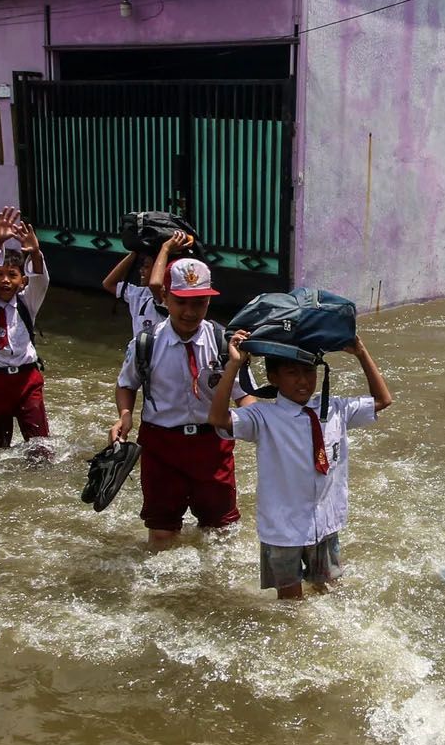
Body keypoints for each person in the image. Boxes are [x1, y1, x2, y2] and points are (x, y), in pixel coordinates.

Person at [209, 331, 393, 599]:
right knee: (290, 603)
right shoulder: (263, 416)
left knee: (330, 592)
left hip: (325, 522)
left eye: (309, 371)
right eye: (292, 373)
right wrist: (234, 364)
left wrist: (361, 353)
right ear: (273, 378)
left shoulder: (335, 409)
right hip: (282, 529)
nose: (303, 381)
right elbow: (217, 418)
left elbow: (383, 400)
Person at [111, 256, 254, 549]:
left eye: (199, 303)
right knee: (162, 534)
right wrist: (125, 416)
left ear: (209, 302)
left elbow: (244, 396)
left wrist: (263, 426)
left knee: (221, 533)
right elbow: (126, 384)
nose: (190, 312)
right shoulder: (145, 343)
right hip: (161, 448)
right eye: (181, 302)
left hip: (212, 447)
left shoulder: (224, 343)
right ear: (165, 297)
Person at [0, 207, 51, 448]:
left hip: (27, 380)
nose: (5, 280)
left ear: (21, 280)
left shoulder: (28, 303)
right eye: (0, 274)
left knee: (41, 447)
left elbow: (41, 280)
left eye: (12, 275)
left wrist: (35, 252)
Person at [101, 233, 186, 339]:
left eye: (146, 267)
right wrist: (134, 253)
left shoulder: (166, 296)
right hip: (139, 354)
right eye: (141, 266)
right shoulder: (137, 294)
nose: (141, 270)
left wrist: (165, 250)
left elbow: (155, 285)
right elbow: (108, 284)